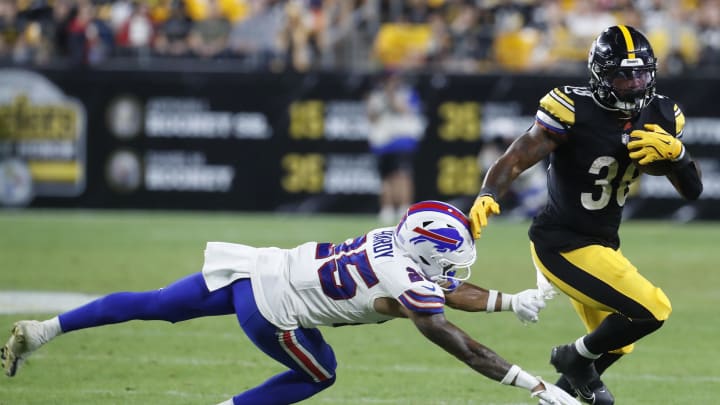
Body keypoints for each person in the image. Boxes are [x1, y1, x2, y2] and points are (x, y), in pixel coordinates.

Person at [2, 200, 580, 405]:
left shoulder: (395, 246)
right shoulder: (407, 279)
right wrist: (531, 385)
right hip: (275, 313)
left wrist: (509, 302)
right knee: (321, 372)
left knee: (153, 302)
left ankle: (44, 330)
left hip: (258, 267)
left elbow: (438, 288)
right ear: (424, 252)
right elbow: (460, 344)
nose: (453, 272)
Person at [468, 25, 703, 405]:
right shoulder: (573, 107)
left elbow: (691, 190)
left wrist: (678, 157)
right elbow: (517, 156)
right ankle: (574, 359)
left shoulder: (662, 113)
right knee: (651, 309)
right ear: (600, 74)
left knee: (618, 340)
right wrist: (488, 192)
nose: (634, 84)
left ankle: (561, 394)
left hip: (602, 244)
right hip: (561, 243)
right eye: (623, 76)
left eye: (641, 74)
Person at [366, 72, 426, 224]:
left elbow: (406, 110)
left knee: (403, 175)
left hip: (402, 140)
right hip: (383, 142)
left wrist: (391, 97)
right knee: (386, 177)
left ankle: (404, 208)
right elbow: (371, 116)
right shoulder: (376, 96)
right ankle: (387, 209)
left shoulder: (407, 94)